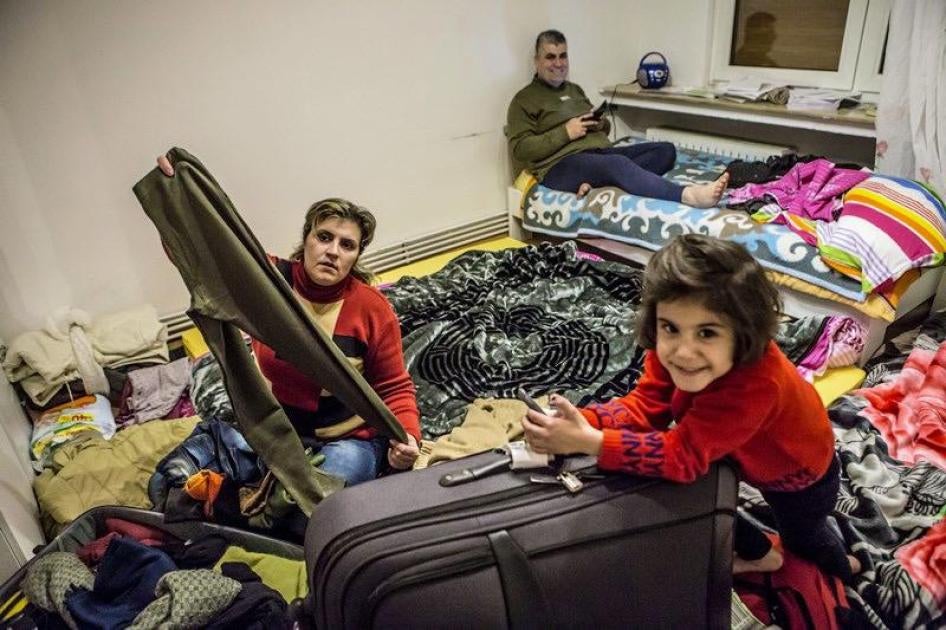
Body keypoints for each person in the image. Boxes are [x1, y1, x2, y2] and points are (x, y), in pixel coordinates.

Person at [520, 233, 860, 581]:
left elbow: (681, 456)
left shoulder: (757, 383)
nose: (683, 352)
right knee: (692, 492)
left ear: (745, 331)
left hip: (799, 475)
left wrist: (587, 442)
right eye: (670, 328)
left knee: (805, 537)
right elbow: (646, 405)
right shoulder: (668, 350)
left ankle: (845, 568)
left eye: (707, 333)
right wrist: (584, 421)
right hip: (733, 449)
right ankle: (761, 555)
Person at [156, 156, 421, 485]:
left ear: (356, 256)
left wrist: (408, 439)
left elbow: (394, 386)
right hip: (275, 431)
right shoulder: (268, 281)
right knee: (169, 479)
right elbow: (206, 257)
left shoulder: (372, 309)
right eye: (324, 237)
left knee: (327, 488)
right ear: (306, 239)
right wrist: (175, 197)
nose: (333, 251)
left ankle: (256, 487)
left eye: (347, 245)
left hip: (347, 441)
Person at [506, 30, 728, 206]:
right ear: (537, 61)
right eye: (550, 57)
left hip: (598, 155)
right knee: (616, 164)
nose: (558, 63)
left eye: (563, 56)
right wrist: (565, 132)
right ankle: (689, 195)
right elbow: (521, 149)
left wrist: (599, 123)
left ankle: (604, 181)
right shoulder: (524, 100)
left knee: (665, 150)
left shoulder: (574, 90)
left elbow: (603, 130)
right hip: (560, 166)